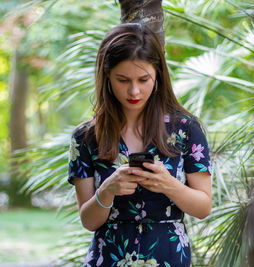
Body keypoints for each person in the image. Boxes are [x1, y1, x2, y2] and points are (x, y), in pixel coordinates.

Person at [68, 23, 212, 267]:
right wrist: (107, 190)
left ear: (157, 74)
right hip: (108, 258)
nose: (134, 90)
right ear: (107, 77)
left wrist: (169, 185)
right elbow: (89, 221)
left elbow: (203, 207)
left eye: (143, 79)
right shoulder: (85, 137)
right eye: (122, 80)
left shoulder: (186, 129)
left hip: (169, 258)